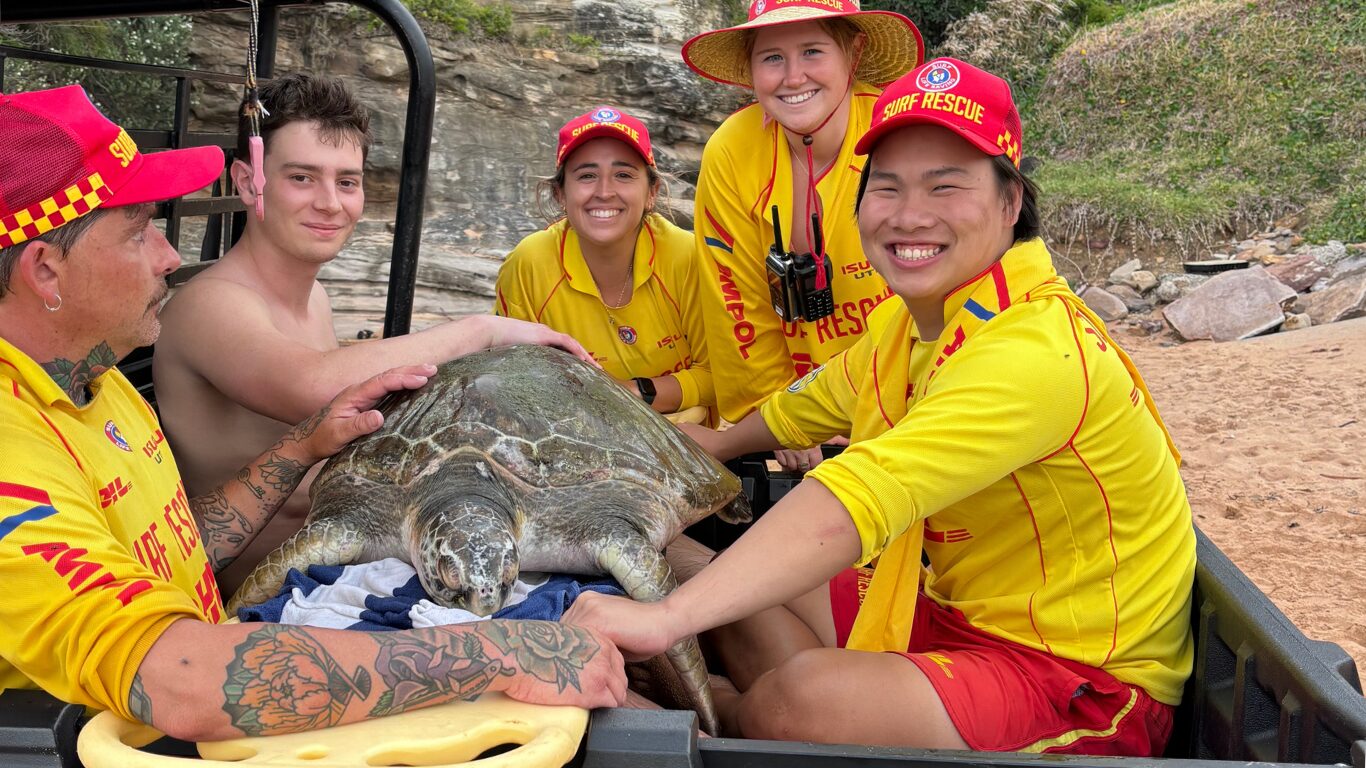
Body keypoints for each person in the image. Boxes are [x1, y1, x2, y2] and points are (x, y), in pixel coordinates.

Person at [566, 59, 1195, 756]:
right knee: (711, 571)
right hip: (950, 608)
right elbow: (808, 405)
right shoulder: (915, 322)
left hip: (1074, 675)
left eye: (945, 185)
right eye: (887, 187)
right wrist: (707, 447)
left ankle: (702, 712)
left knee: (798, 694)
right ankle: (735, 706)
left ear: (1011, 202)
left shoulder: (1033, 349)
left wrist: (667, 622)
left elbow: (859, 496)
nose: (909, 214)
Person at [0, 84, 625, 741]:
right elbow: (181, 683)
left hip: (234, 643)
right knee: (606, 710)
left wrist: (301, 447)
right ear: (45, 272)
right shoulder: (13, 450)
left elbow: (177, 552)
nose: (171, 256)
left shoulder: (96, 379)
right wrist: (506, 655)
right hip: (143, 726)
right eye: (139, 233)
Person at [153, 74, 596, 595]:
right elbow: (314, 387)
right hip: (270, 595)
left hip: (352, 562)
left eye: (347, 182)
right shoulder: (210, 303)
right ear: (250, 181)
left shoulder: (313, 299)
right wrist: (484, 329)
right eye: (301, 177)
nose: (330, 203)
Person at [684, 0, 922, 470]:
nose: (793, 78)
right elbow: (734, 296)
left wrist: (866, 411)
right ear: (751, 70)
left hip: (904, 398)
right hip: (793, 402)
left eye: (812, 51)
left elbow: (931, 293)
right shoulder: (732, 150)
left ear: (852, 55)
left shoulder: (896, 133)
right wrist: (781, 415)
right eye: (772, 58)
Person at [494, 107, 714, 422]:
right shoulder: (529, 264)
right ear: (560, 194)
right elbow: (510, 379)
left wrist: (628, 392)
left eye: (623, 175)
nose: (604, 192)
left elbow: (718, 375)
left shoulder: (687, 257)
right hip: (569, 440)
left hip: (681, 444)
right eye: (587, 175)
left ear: (651, 192)